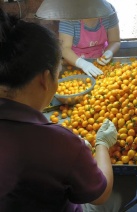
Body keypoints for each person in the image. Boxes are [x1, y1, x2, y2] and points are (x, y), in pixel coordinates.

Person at [0, 8, 118, 212]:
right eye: (59, 72)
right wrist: (102, 144)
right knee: (122, 189)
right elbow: (101, 194)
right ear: (45, 79)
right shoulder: (60, 142)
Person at [59, 2, 121, 77]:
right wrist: (82, 64)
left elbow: (114, 41)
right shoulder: (69, 16)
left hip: (100, 60)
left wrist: (109, 52)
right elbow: (64, 48)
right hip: (75, 61)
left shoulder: (108, 11)